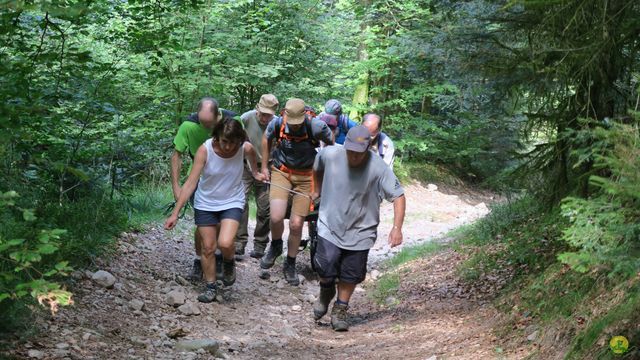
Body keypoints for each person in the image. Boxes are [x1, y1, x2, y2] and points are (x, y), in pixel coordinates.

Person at [311, 125, 406, 331]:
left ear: (368, 149)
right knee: (325, 268)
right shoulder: (330, 154)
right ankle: (325, 293)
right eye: (350, 151)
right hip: (330, 224)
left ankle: (340, 309)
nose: (353, 156)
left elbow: (398, 196)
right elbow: (317, 166)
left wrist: (397, 228)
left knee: (350, 273)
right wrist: (316, 190)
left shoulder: (378, 167)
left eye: (358, 153)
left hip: (362, 229)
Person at [165, 118, 265, 302]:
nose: (228, 147)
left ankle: (229, 262)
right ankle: (210, 286)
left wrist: (257, 173)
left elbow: (253, 163)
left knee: (226, 243)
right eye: (225, 141)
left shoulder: (245, 148)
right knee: (208, 247)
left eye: (233, 142)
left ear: (239, 140)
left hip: (232, 200)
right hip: (206, 202)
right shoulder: (205, 150)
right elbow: (191, 183)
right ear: (217, 136)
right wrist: (175, 213)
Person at [260, 98, 334, 285]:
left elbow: (331, 144)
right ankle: (276, 245)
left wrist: (323, 172)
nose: (293, 127)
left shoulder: (316, 126)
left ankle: (290, 263)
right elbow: (265, 139)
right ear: (284, 113)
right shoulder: (277, 123)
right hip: (281, 171)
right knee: (276, 217)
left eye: (297, 124)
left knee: (296, 224)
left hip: (307, 176)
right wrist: (264, 167)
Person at [171, 97, 235, 281]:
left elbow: (244, 148)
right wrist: (177, 187)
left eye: (210, 124)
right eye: (202, 123)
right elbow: (176, 156)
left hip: (226, 179)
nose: (207, 128)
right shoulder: (188, 126)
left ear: (218, 115)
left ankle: (221, 258)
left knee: (223, 223)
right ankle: (200, 260)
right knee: (204, 223)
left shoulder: (232, 121)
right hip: (199, 178)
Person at [235, 94, 279, 258]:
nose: (265, 118)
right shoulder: (245, 118)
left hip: (267, 168)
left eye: (268, 114)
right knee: (240, 201)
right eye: (262, 113)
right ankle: (239, 243)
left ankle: (260, 245)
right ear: (257, 109)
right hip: (245, 166)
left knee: (265, 208)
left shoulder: (277, 123)